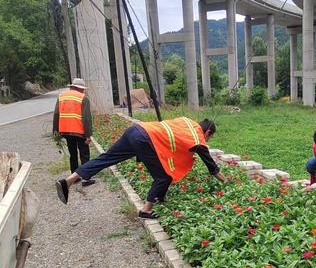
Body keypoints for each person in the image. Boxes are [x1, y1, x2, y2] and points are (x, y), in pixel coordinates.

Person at [55, 117, 226, 219]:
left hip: (135, 130)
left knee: (105, 158)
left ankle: (68, 181)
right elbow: (213, 168)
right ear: (208, 132)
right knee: (164, 176)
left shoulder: (187, 123)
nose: (208, 140)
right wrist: (227, 181)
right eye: (210, 137)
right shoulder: (198, 138)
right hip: (145, 139)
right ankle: (146, 210)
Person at [53, 78, 95, 187]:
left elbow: (56, 114)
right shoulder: (83, 98)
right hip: (79, 131)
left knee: (73, 154)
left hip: (65, 130)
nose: (83, 91)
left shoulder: (61, 96)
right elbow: (86, 118)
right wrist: (88, 135)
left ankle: (74, 177)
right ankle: (86, 179)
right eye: (83, 89)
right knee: (84, 154)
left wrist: (55, 132)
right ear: (80, 88)